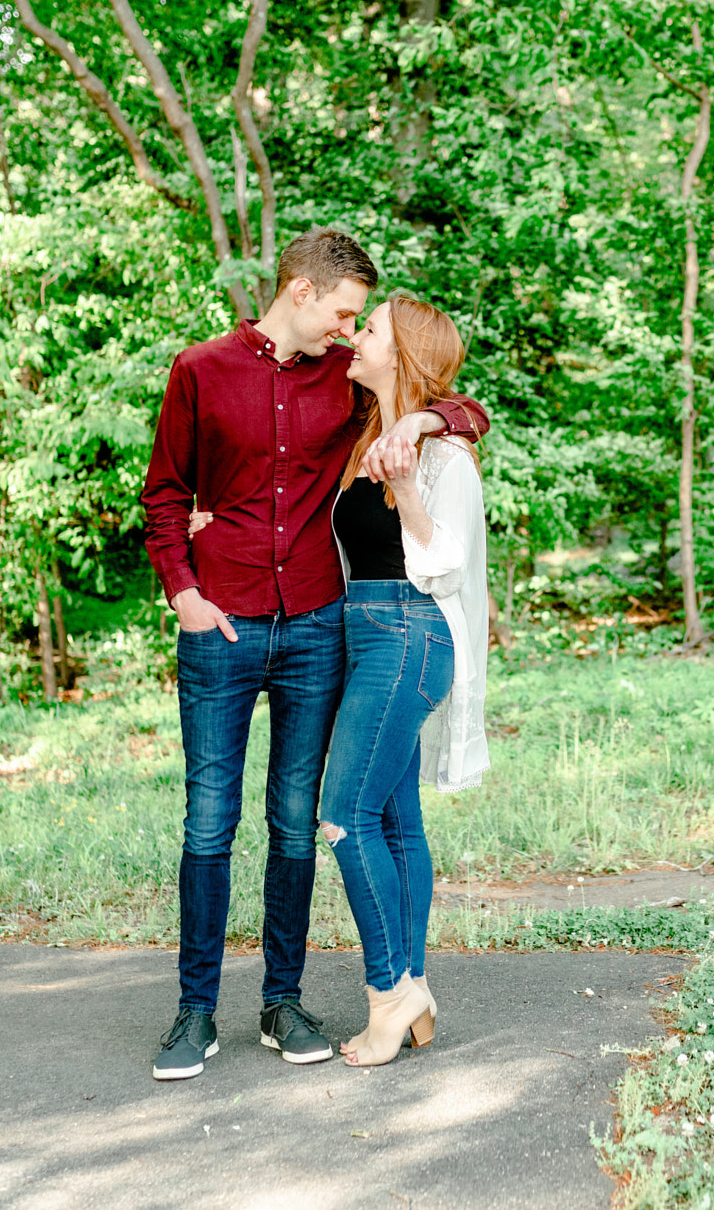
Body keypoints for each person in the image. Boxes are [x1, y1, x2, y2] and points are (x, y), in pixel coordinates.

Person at [139, 228, 487, 1080]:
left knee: (298, 822)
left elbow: (462, 408)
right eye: (344, 310)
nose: (349, 326)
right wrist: (184, 591)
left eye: (359, 319)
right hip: (219, 623)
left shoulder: (351, 379)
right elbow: (163, 496)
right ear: (300, 290)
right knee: (208, 823)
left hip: (320, 630)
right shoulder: (200, 370)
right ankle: (194, 1012)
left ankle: (282, 1000)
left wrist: (425, 415)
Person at [318, 292, 490, 1067]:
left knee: (344, 814)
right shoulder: (365, 436)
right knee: (394, 821)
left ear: (404, 352)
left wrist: (412, 481)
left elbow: (445, 565)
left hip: (410, 634)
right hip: (366, 634)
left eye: (371, 329)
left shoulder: (443, 455)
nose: (355, 337)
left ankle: (389, 995)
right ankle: (415, 984)